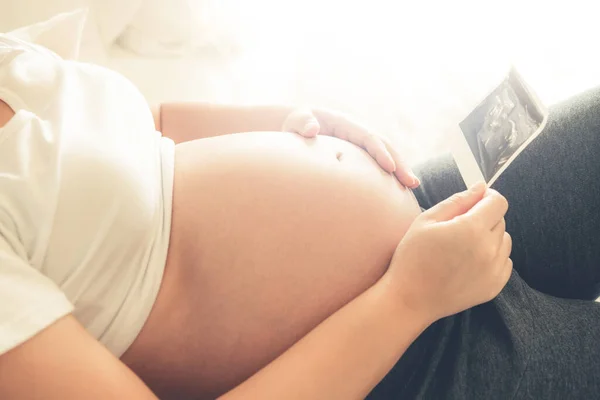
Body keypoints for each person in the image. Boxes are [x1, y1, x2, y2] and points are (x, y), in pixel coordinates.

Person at [0, 32, 598, 400]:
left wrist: (293, 119)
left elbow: (147, 125)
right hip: (410, 370)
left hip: (434, 216)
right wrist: (407, 298)